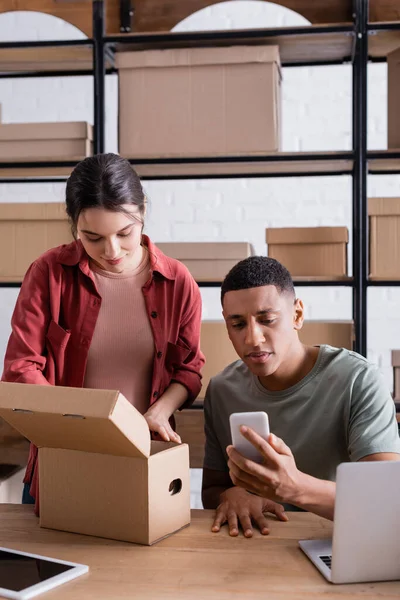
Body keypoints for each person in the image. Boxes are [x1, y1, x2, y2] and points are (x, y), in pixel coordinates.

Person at [1, 153, 204, 508]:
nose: (111, 251)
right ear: (74, 225)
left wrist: (158, 412)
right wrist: (81, 426)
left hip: (145, 463)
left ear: (142, 212)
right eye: (91, 237)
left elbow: (189, 368)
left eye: (125, 233)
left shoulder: (177, 282)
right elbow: (20, 369)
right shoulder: (48, 273)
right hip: (62, 462)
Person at [202, 256, 400, 537]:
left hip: (339, 543)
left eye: (266, 320)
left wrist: (294, 487)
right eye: (238, 325)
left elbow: (387, 500)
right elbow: (212, 490)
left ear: (297, 315)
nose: (253, 339)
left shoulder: (358, 379)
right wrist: (230, 495)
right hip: (252, 547)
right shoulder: (222, 389)